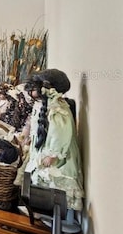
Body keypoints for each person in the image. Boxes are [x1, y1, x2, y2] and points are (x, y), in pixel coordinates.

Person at [23, 69, 84, 215]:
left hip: (57, 153)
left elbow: (60, 133)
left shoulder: (57, 108)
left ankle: (54, 212)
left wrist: (54, 154)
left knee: (53, 180)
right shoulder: (45, 105)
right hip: (45, 147)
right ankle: (41, 209)